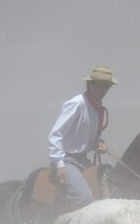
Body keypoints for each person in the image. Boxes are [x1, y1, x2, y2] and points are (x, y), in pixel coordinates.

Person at [47, 66, 116, 210]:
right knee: (85, 199)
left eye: (107, 87)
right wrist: (59, 164)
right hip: (67, 160)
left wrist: (97, 143)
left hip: (83, 160)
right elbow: (55, 134)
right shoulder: (77, 104)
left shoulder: (97, 107)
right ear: (91, 85)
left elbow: (86, 137)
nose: (103, 91)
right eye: (101, 86)